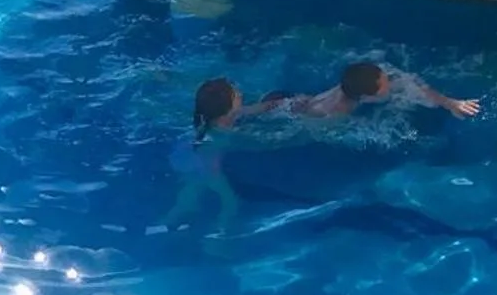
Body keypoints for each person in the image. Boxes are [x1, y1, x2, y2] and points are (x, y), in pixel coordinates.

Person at [161, 77, 246, 234]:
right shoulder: (227, 129)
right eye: (236, 95)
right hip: (208, 168)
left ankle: (166, 223)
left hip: (185, 155)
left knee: (189, 194)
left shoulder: (206, 118)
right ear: (227, 112)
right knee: (230, 202)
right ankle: (219, 236)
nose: (240, 94)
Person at [267, 61, 480, 120]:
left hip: (305, 101)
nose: (390, 78)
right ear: (371, 95)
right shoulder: (334, 111)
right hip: (304, 113)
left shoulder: (359, 80)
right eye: (385, 82)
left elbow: (411, 84)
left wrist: (450, 102)